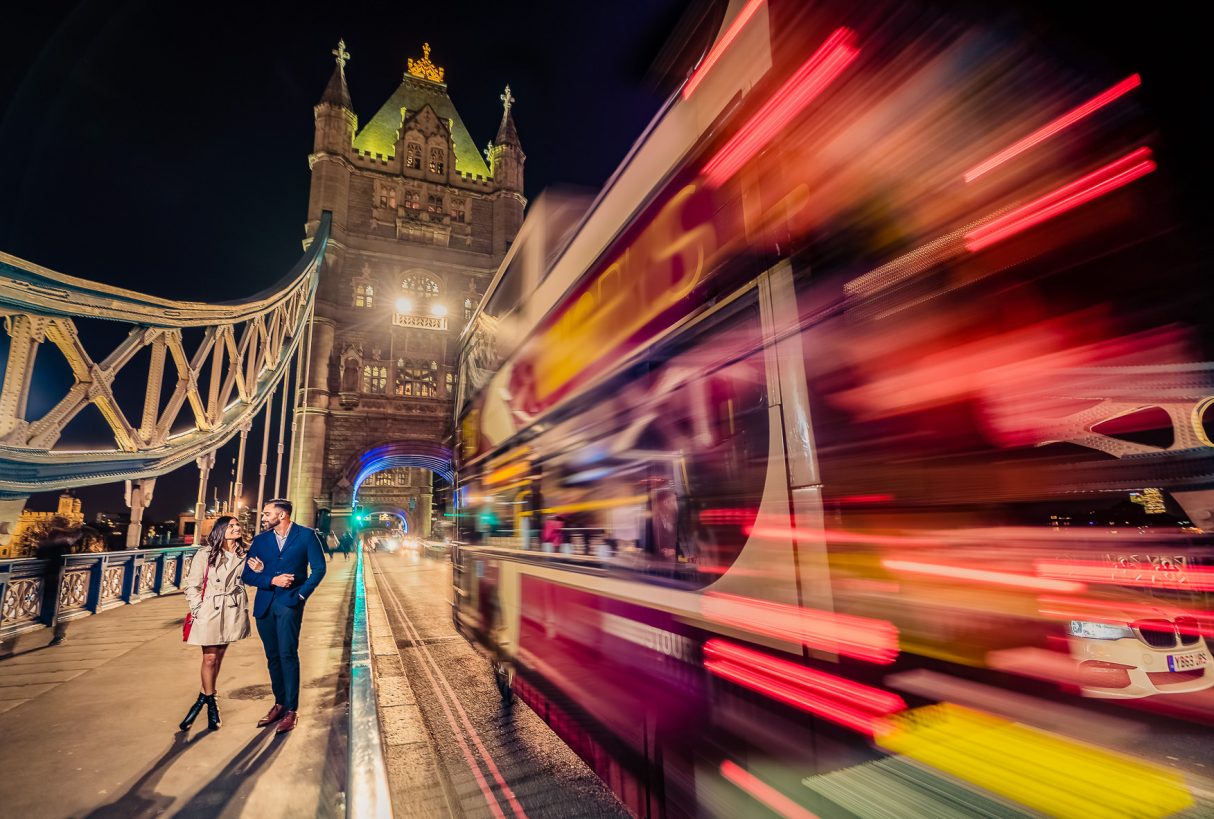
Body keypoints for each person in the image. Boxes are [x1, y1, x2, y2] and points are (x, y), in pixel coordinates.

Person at [241, 498, 327, 734]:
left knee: (288, 654)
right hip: (265, 605)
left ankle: (292, 710)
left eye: (267, 513)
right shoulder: (260, 541)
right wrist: (270, 578)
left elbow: (319, 569)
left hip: (290, 603)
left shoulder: (307, 536)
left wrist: (301, 596)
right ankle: (279, 703)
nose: (263, 517)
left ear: (281, 515)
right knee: (272, 656)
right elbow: (247, 575)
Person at [179, 515, 252, 731]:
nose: (236, 528)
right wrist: (198, 609)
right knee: (209, 658)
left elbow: (249, 579)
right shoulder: (205, 554)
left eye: (237, 525)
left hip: (231, 609)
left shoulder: (245, 554)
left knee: (218, 657)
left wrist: (257, 570)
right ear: (221, 530)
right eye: (231, 526)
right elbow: (192, 585)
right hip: (210, 610)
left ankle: (203, 698)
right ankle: (212, 704)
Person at [35, 527, 81, 646]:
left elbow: (39, 555)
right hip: (62, 579)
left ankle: (57, 632)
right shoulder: (63, 546)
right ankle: (58, 633)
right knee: (59, 607)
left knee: (52, 605)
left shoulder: (51, 546)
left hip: (51, 578)